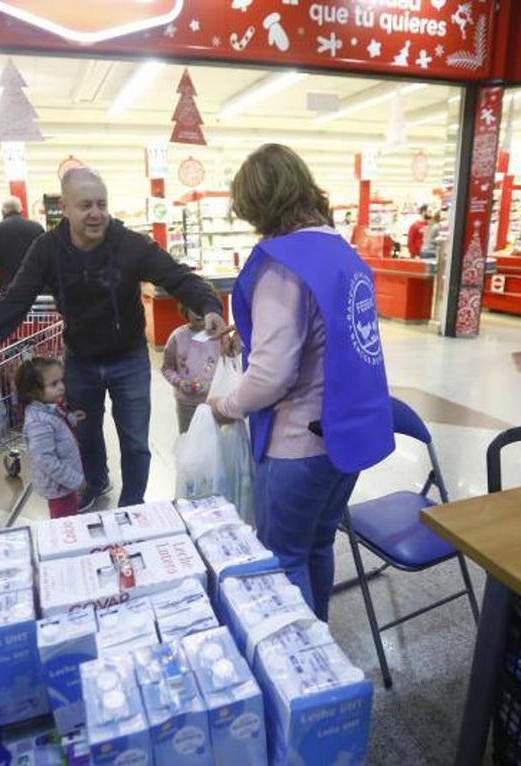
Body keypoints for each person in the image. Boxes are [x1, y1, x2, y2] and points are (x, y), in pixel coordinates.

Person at [0, 167, 228, 509]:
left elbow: (175, 276)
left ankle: (132, 503)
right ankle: (96, 482)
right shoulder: (47, 249)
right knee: (84, 434)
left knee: (134, 440)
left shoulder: (130, 244)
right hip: (81, 359)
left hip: (128, 357)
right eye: (85, 205)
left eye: (101, 204)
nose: (96, 213)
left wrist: (208, 304)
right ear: (65, 209)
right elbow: (15, 300)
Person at [208, 144, 394, 621]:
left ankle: (304, 669)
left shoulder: (282, 262)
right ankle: (322, 639)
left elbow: (272, 375)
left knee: (284, 556)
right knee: (316, 544)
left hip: (297, 444)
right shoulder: (339, 250)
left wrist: (227, 404)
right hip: (346, 435)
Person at [15, 357, 86, 519]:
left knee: (71, 514)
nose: (61, 387)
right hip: (59, 487)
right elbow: (46, 460)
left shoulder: (47, 408)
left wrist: (72, 418)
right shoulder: (38, 424)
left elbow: (57, 419)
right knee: (65, 523)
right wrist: (74, 480)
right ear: (34, 391)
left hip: (64, 484)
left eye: (61, 381)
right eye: (54, 384)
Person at [161, 293, 221, 434]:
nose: (199, 313)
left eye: (203, 308)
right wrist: (180, 382)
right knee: (188, 440)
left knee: (214, 443)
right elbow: (167, 367)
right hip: (186, 404)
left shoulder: (219, 337)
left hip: (214, 402)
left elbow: (230, 365)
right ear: (185, 309)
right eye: (194, 307)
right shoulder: (178, 337)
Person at [0, 197, 44, 293]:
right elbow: (45, 256)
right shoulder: (37, 227)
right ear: (21, 209)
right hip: (35, 282)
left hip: (8, 284)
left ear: (3, 210)